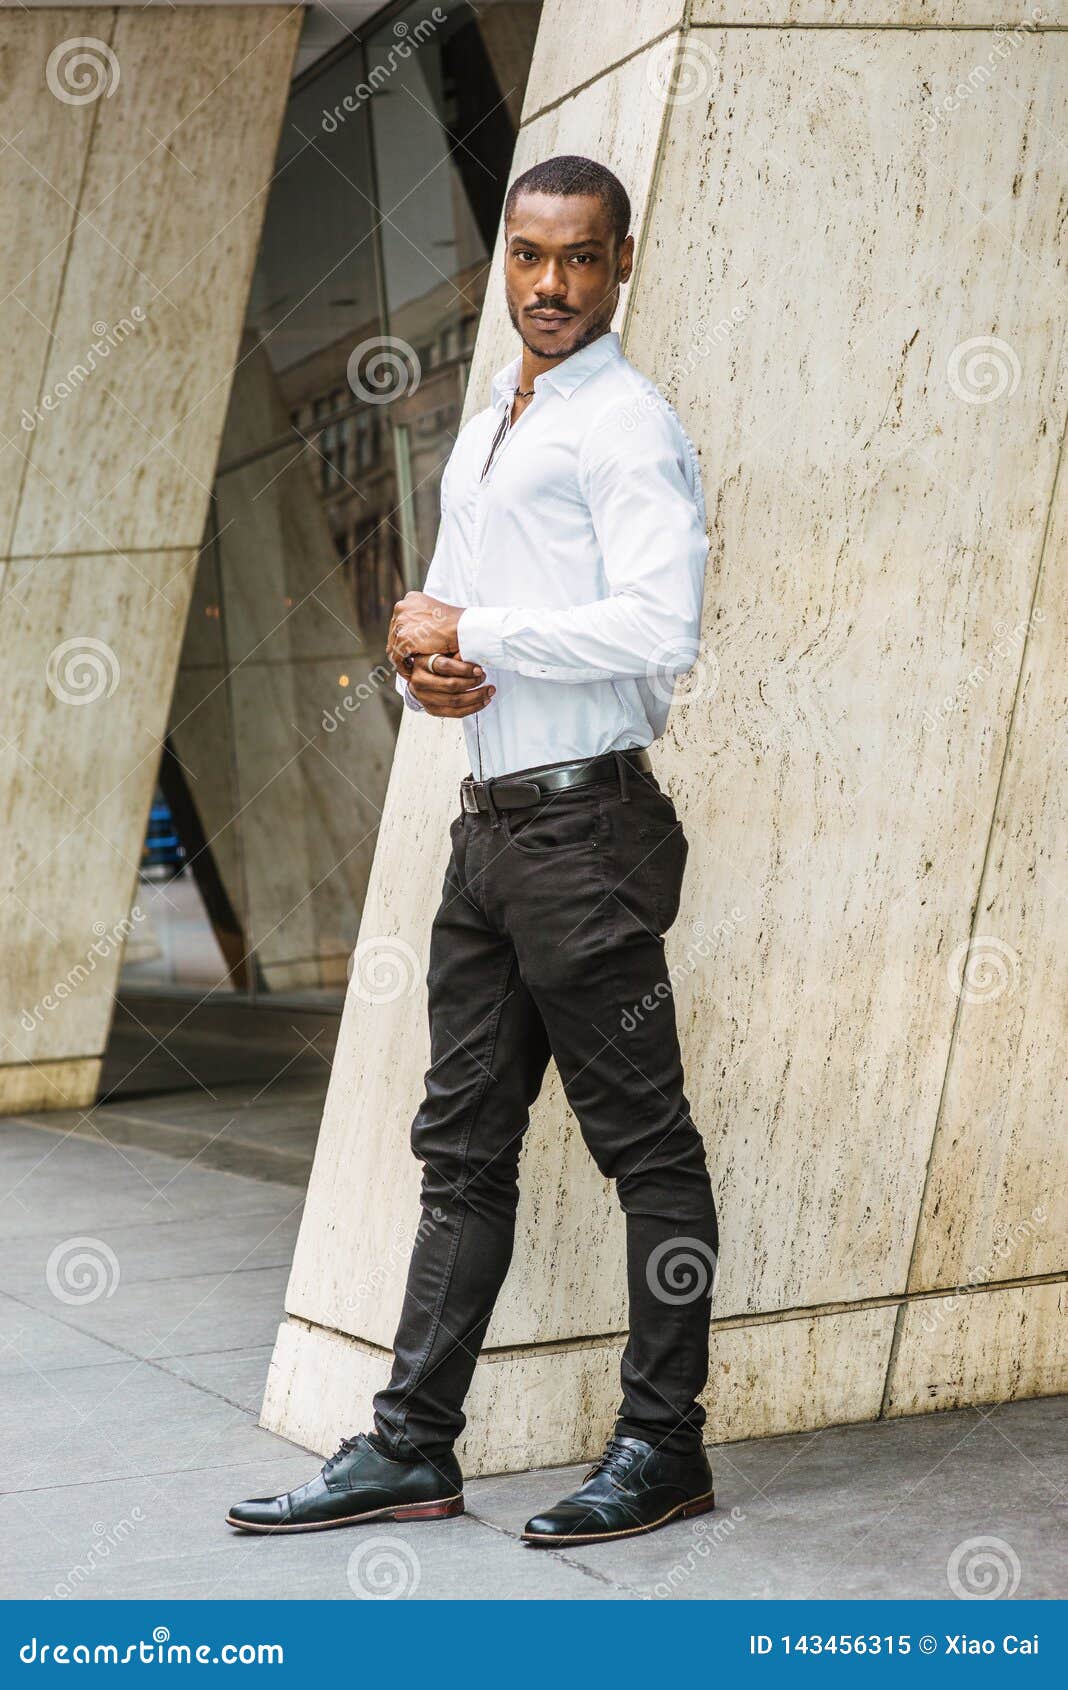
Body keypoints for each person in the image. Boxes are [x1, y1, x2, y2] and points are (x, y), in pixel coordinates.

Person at [228, 154, 719, 1548]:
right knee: (462, 1149)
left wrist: (479, 637)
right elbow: (443, 610)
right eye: (527, 255)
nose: (550, 285)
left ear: (622, 266)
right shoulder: (499, 420)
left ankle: (663, 1445)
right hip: (493, 831)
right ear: (502, 259)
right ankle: (413, 1445)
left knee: (649, 1152)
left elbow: (659, 626)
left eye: (579, 259)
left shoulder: (625, 424)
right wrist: (415, 662)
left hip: (587, 831)